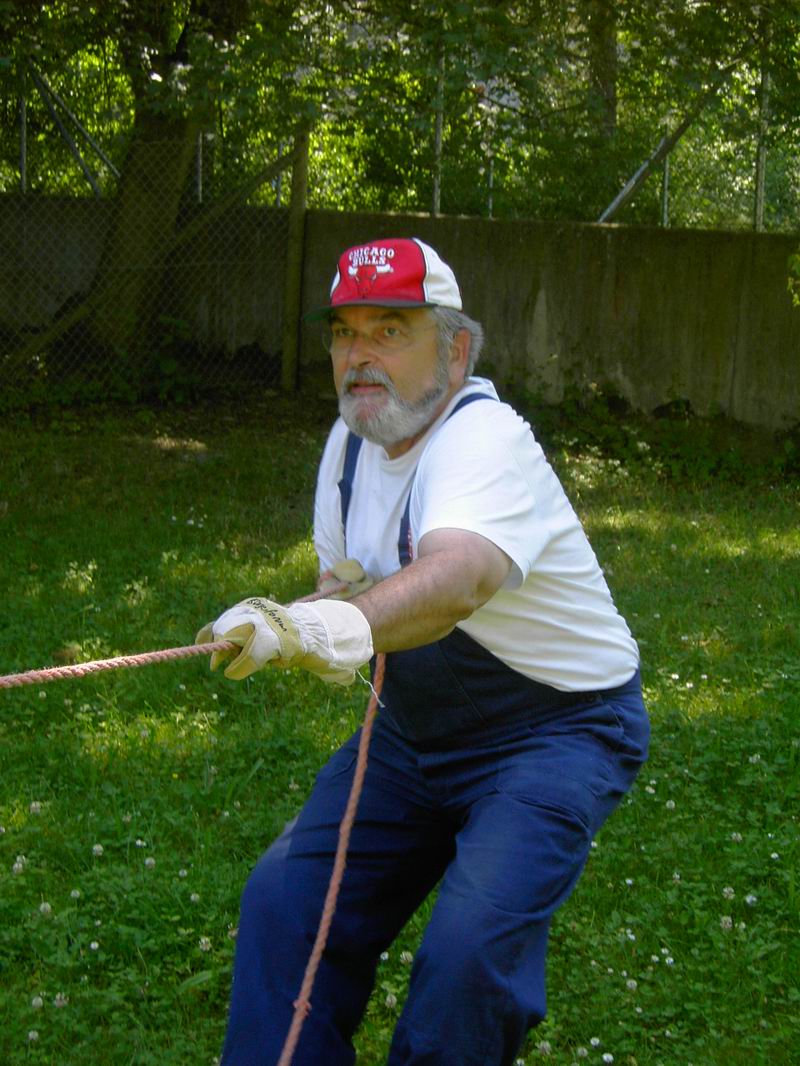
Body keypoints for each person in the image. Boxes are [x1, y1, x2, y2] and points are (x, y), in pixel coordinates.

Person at [197, 236, 650, 1066]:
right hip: (411, 733)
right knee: (284, 904)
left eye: (390, 331)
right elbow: (344, 584)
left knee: (468, 959)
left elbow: (457, 579)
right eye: (344, 333)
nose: (358, 357)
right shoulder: (349, 448)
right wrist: (282, 618)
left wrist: (330, 628)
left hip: (557, 733)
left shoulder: (484, 440)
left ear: (457, 349)